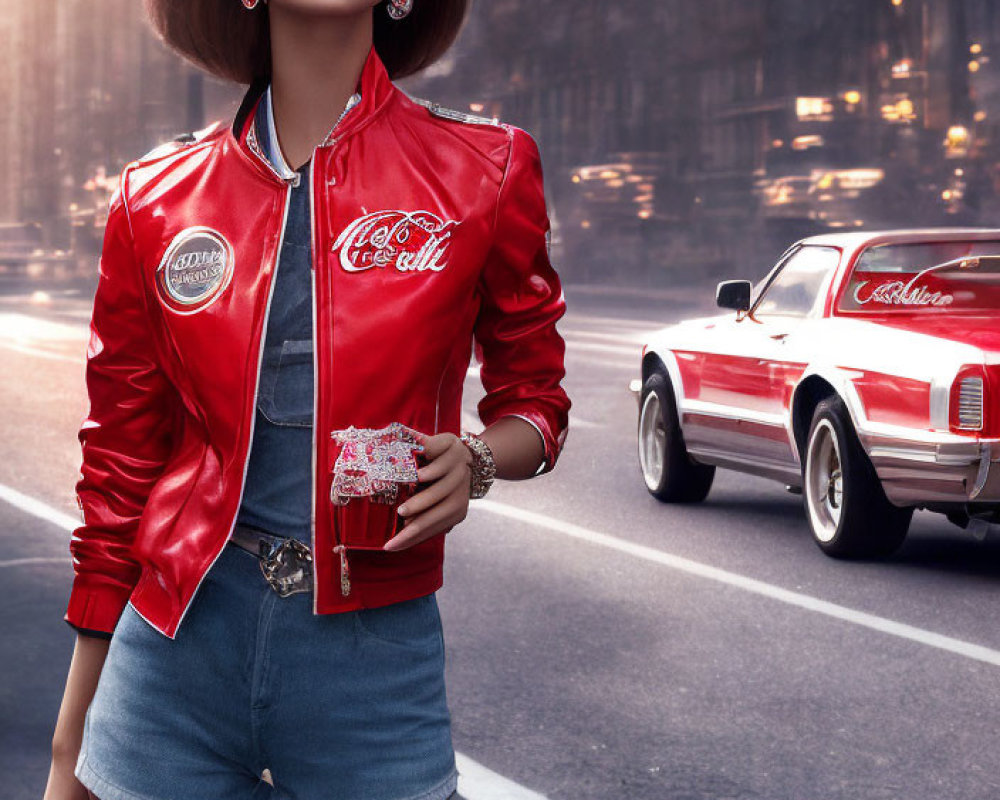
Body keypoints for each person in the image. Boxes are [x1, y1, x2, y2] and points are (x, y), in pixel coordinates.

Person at [43, 1, 572, 798]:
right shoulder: (154, 196)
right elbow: (119, 464)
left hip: (373, 659)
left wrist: (477, 459)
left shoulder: (485, 167)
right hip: (174, 646)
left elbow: (536, 398)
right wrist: (69, 740)